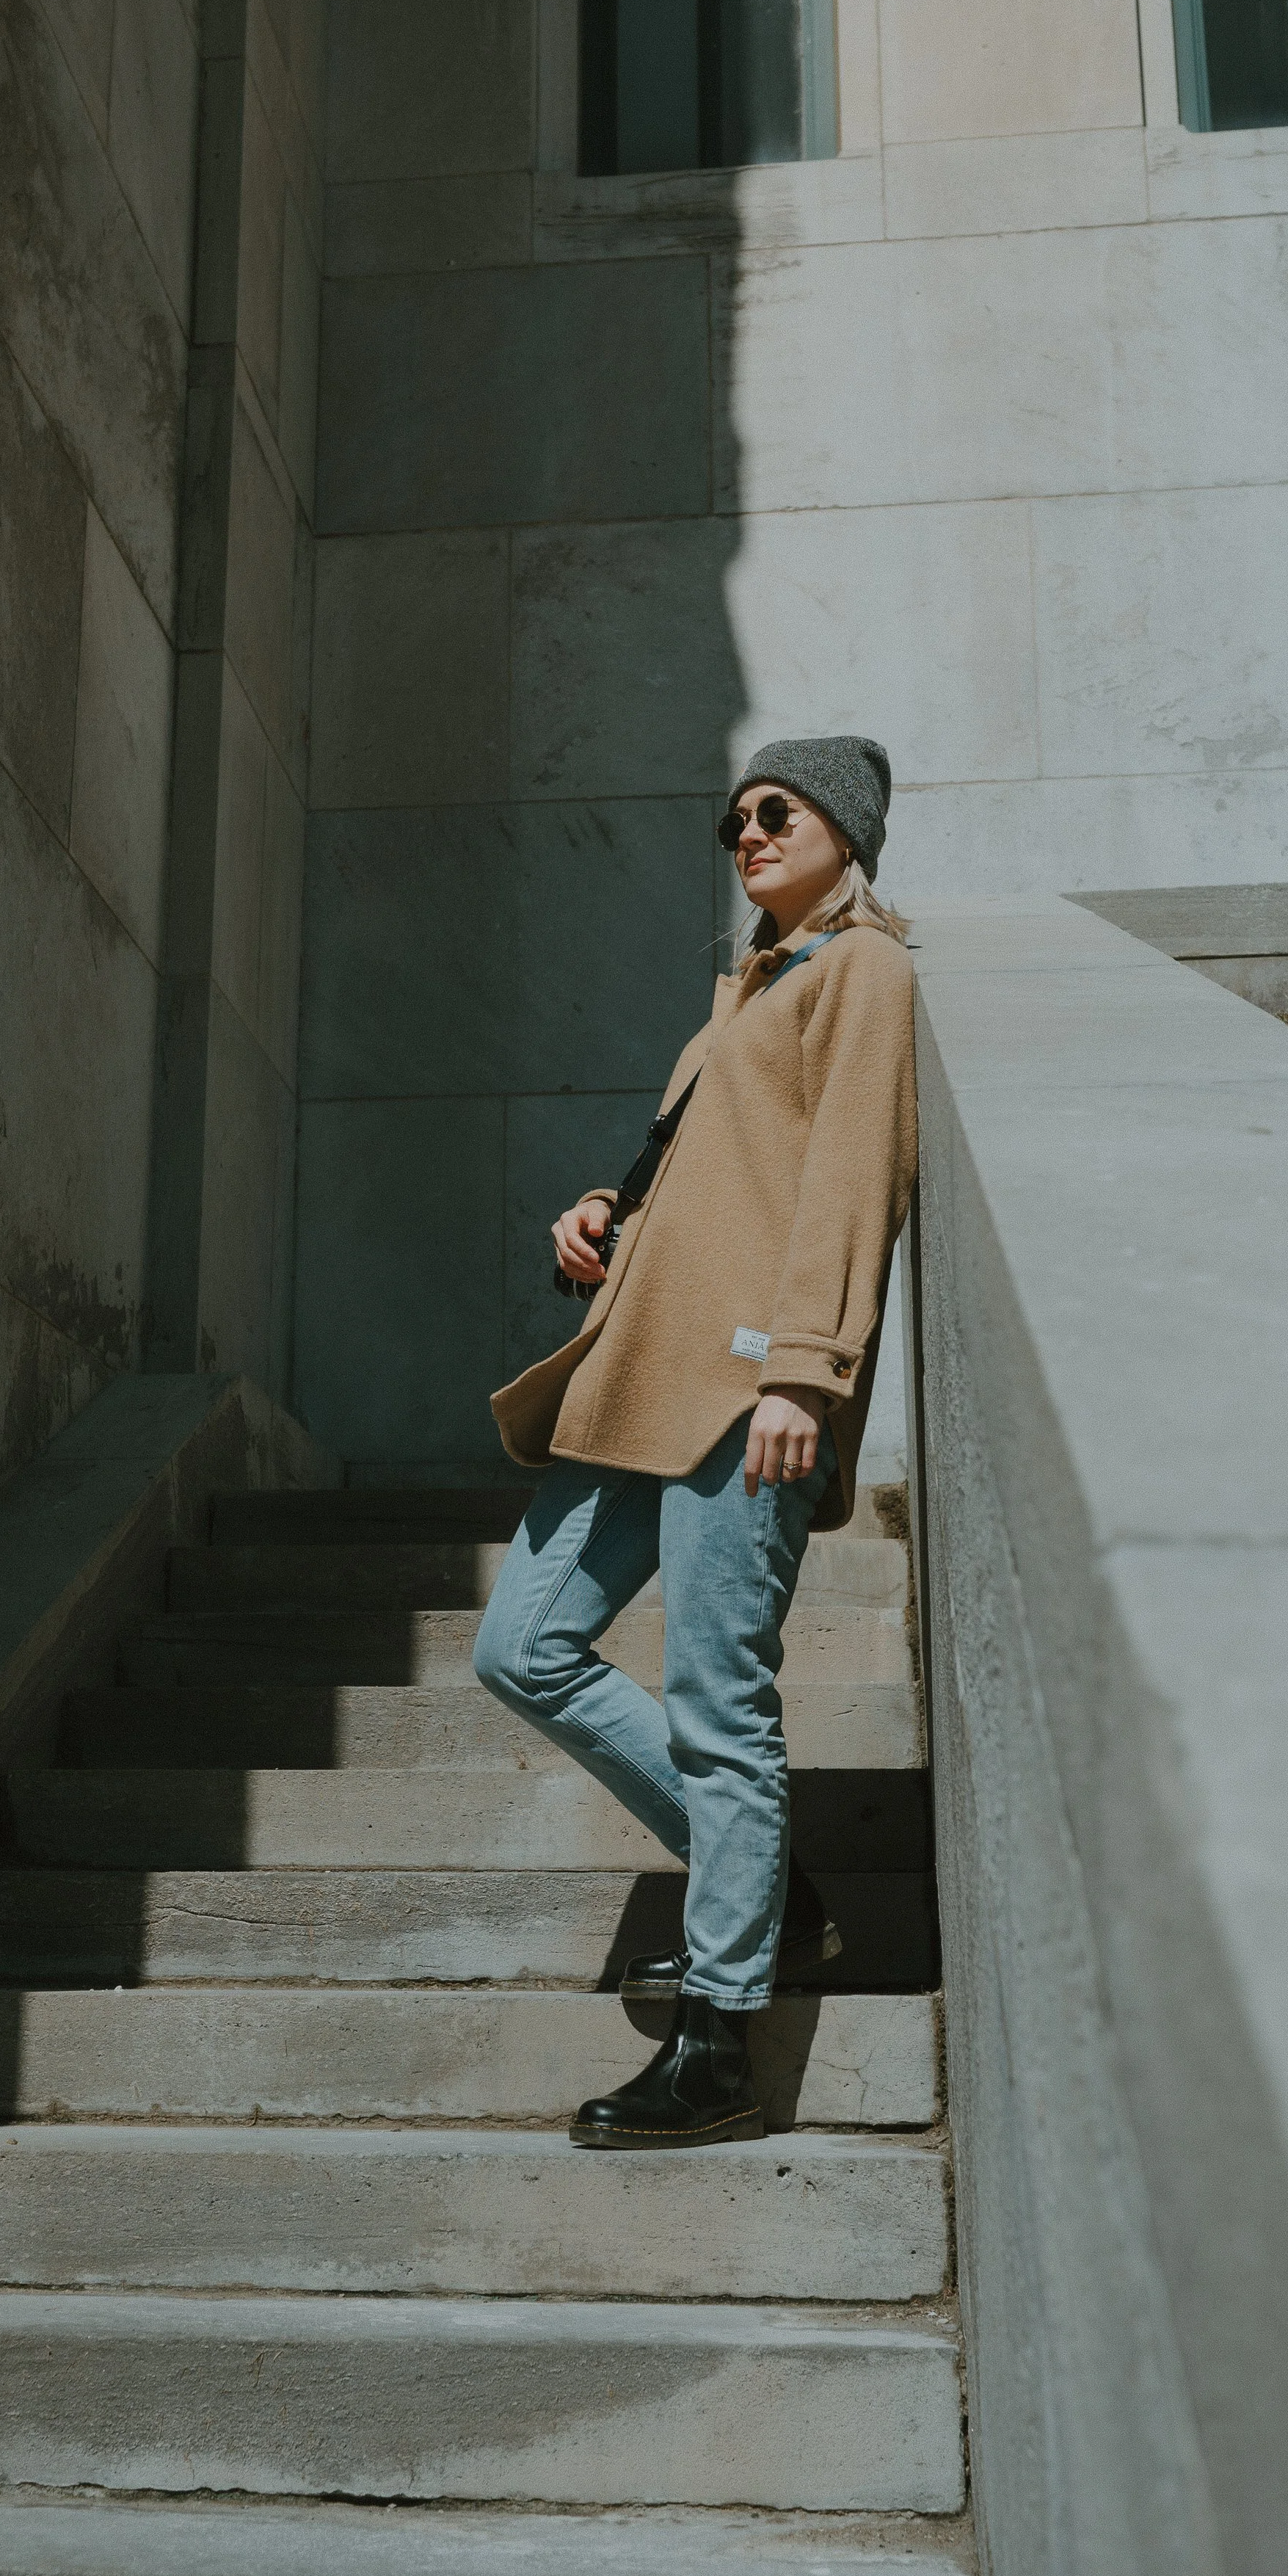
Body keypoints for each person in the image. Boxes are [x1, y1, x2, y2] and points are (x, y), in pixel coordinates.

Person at [473, 735, 917, 2150]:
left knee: (722, 1699)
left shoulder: (864, 973)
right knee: (520, 1644)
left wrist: (809, 1372)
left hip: (741, 1392)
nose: (750, 830)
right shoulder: (745, 989)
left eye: (777, 810)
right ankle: (770, 1893)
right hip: (639, 1374)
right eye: (734, 817)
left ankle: (722, 2036)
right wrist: (607, 1214)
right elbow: (728, 1178)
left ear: (847, 829)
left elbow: (852, 1179)